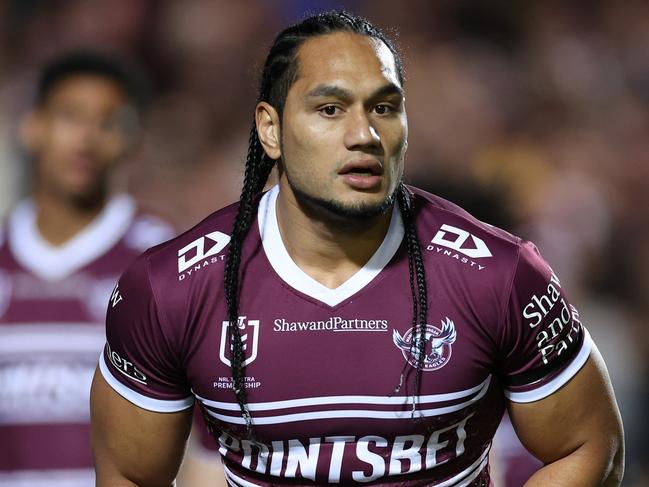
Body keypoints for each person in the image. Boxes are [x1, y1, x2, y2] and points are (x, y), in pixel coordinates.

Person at [90, 11, 625, 486]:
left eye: (385, 107)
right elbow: (131, 474)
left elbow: (589, 445)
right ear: (270, 130)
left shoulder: (499, 274)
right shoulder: (170, 287)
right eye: (330, 109)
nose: (364, 134)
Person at [0, 51, 175, 486]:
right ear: (32, 126)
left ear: (130, 138)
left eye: (108, 122)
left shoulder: (161, 261)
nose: (87, 137)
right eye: (70, 116)